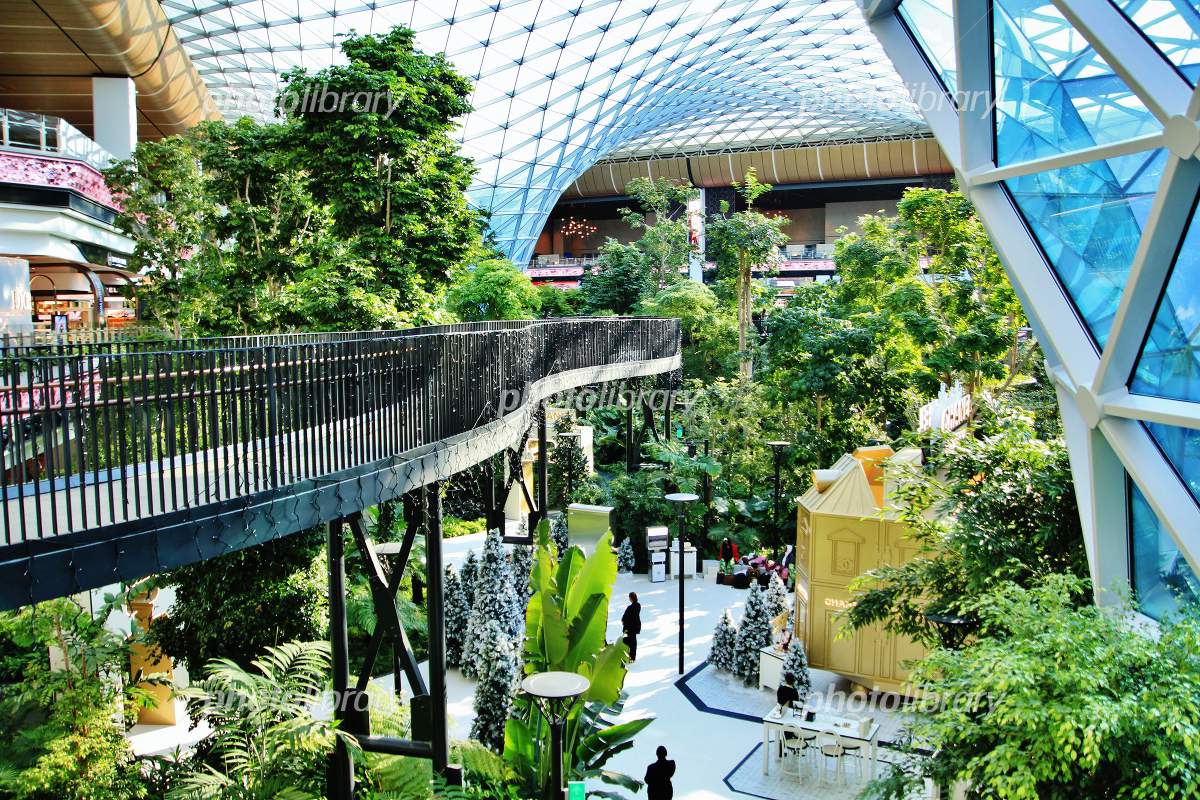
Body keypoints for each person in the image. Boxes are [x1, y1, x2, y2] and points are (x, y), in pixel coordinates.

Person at [622, 592, 642, 663]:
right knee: (633, 642)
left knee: (626, 641)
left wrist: (623, 621)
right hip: (635, 627)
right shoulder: (638, 605)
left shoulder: (630, 608)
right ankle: (632, 657)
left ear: (630, 598)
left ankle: (628, 656)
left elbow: (625, 618)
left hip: (629, 627)